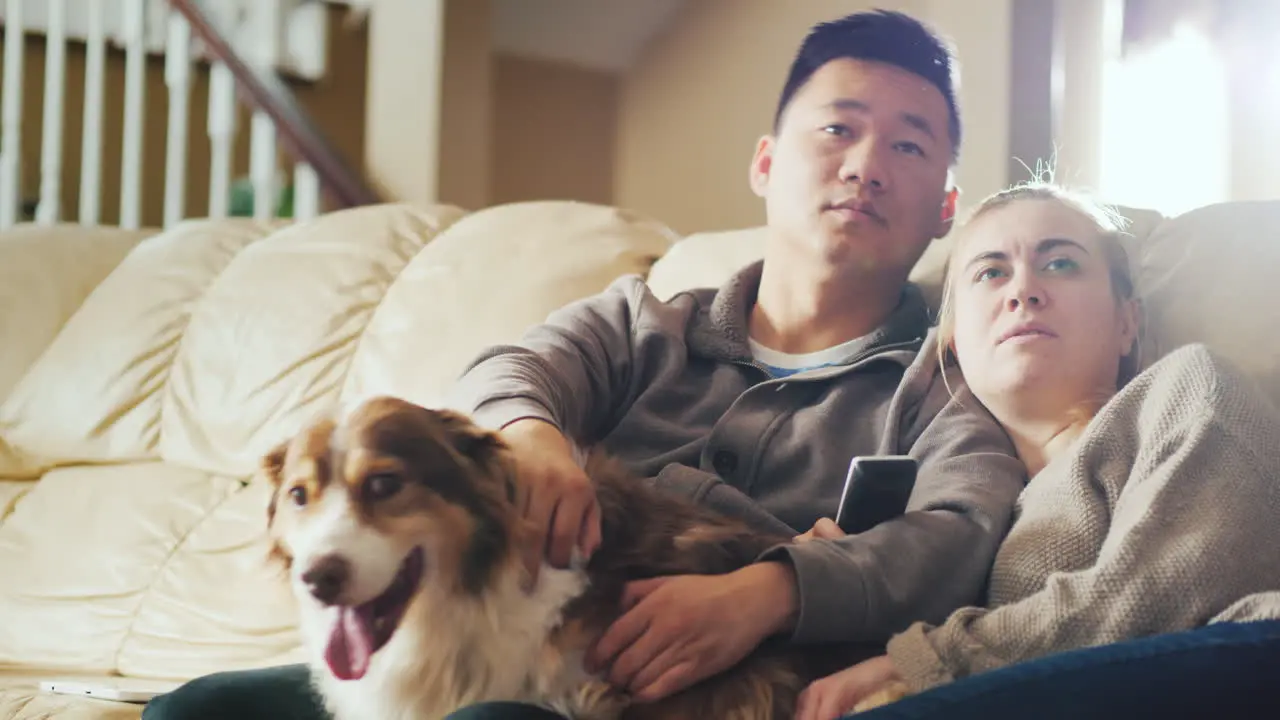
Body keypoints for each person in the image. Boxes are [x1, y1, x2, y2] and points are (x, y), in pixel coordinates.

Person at [142, 11, 1028, 720]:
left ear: (947, 206)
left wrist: (770, 594)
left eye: (909, 146)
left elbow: (962, 535)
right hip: (501, 647)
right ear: (766, 164)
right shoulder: (642, 321)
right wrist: (532, 442)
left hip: (686, 693)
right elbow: (513, 370)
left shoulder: (946, 382)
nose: (866, 165)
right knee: (199, 709)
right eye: (837, 129)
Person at [792, 182, 1280, 720]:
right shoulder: (952, 517)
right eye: (991, 272)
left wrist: (925, 663)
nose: (1023, 290)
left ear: (1127, 322)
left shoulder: (1187, 387)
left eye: (1061, 264)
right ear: (952, 344)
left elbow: (1179, 580)